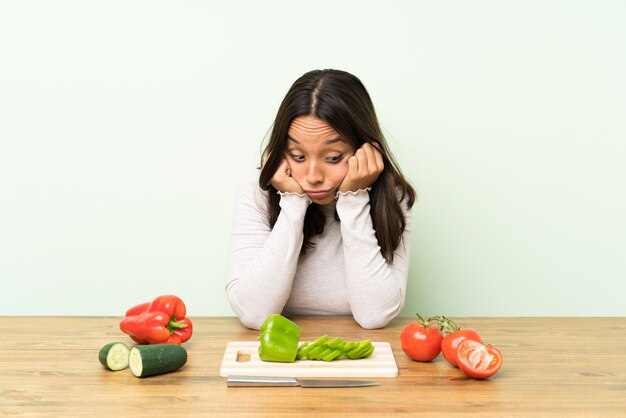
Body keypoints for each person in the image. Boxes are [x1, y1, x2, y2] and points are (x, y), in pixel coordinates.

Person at [226, 69, 416, 330]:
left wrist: (354, 198)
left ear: (365, 150)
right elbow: (253, 313)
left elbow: (375, 314)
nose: (313, 177)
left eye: (333, 157)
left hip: (357, 358)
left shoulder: (392, 196)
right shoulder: (258, 188)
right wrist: (292, 200)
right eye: (297, 155)